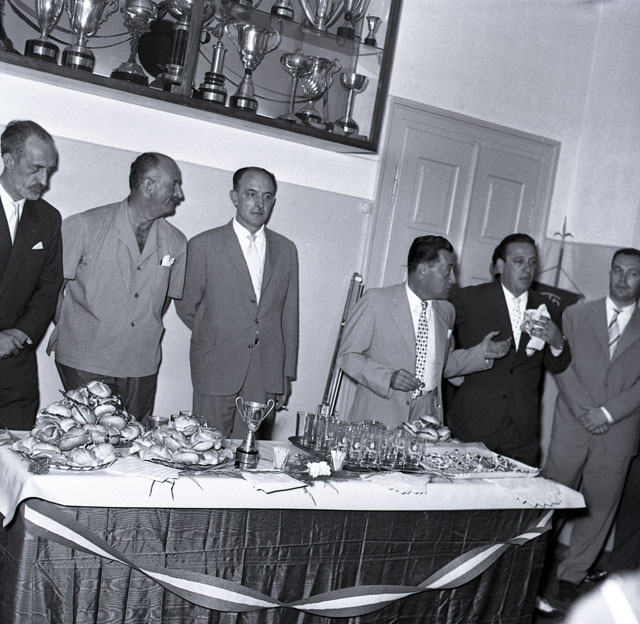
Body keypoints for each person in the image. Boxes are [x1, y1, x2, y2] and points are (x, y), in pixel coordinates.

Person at [47, 152, 187, 423]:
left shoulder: (177, 242)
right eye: (174, 185)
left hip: (141, 366)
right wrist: (69, 329)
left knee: (134, 439)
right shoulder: (84, 226)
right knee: (88, 439)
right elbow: (52, 288)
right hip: (85, 363)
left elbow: (163, 302)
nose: (179, 194)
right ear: (148, 185)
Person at [543, 248, 640, 613]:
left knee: (598, 509)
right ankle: (533, 566)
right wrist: (587, 412)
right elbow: (561, 364)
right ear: (609, 272)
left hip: (618, 431)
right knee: (552, 500)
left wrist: (607, 414)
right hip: (573, 423)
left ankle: (571, 576)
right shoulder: (575, 314)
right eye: (617, 270)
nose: (622, 279)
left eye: (632, 273)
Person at [337, 235, 511, 429]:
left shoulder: (446, 311)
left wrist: (480, 353)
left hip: (427, 418)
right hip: (381, 417)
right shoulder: (376, 301)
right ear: (423, 270)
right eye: (448, 270)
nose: (454, 279)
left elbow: (442, 364)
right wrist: (388, 378)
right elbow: (348, 356)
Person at [176, 167, 298, 438]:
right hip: (215, 367)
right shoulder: (203, 245)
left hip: (264, 373)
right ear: (234, 197)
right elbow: (186, 306)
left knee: (252, 453)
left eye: (267, 196)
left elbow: (289, 316)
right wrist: (219, 334)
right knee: (207, 449)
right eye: (251, 194)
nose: (260, 203)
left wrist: (284, 374)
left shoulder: (286, 250)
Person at [447, 233, 571, 466]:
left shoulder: (546, 307)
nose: (527, 269)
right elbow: (439, 340)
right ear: (500, 266)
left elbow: (558, 364)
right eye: (519, 261)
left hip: (522, 430)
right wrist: (452, 369)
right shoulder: (470, 299)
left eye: (532, 262)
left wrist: (557, 342)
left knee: (518, 490)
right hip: (474, 421)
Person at [0, 120, 62, 430]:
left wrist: (18, 334)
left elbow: (48, 290)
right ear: (9, 159)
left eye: (48, 171)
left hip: (16, 370)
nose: (44, 181)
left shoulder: (48, 219)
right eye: (36, 169)